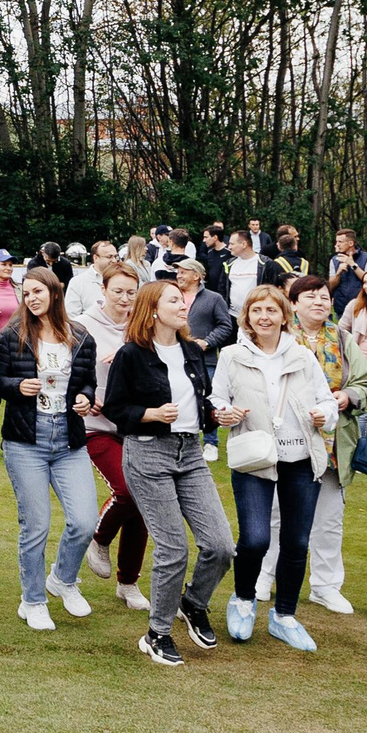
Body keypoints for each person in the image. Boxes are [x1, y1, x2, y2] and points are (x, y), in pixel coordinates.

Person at [106, 279, 237, 666]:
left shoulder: (192, 351)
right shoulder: (131, 354)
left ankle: (193, 602)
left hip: (190, 453)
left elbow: (201, 400)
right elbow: (115, 409)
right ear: (153, 310)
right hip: (148, 454)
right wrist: (149, 414)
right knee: (173, 548)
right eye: (175, 300)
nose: (184, 306)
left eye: (184, 300)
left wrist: (217, 414)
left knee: (220, 546)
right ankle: (157, 633)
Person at [212, 283, 336, 650]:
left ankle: (284, 616)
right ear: (246, 317)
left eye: (271, 310)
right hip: (255, 457)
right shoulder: (232, 355)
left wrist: (323, 414)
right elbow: (217, 398)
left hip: (301, 458)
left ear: (285, 316)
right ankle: (243, 600)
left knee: (296, 542)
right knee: (255, 539)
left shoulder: (303, 356)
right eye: (256, 311)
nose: (263, 317)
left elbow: (328, 402)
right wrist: (224, 412)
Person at [0, 268, 101, 632]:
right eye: (26, 293)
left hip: (69, 441)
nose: (31, 298)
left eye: (38, 291)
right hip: (26, 442)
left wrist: (85, 398)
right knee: (35, 525)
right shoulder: (13, 335)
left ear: (55, 292)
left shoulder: (80, 337)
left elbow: (88, 382)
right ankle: (33, 600)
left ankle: (63, 579)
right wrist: (17, 387)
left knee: (85, 521)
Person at [274, 276, 367, 615]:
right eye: (310, 296)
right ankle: (263, 578)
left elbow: (366, 383)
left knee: (329, 519)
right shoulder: (279, 337)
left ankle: (326, 587)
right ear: (293, 303)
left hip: (332, 443)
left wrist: (348, 396)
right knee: (275, 514)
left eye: (324, 297)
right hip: (285, 442)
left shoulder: (343, 338)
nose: (319, 302)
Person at [74, 258, 153, 613]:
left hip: (136, 425)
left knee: (143, 504)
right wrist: (86, 395)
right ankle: (99, 537)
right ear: (102, 290)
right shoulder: (82, 325)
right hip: (97, 426)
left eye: (131, 293)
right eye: (118, 291)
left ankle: (128, 583)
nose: (125, 299)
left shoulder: (143, 325)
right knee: (127, 490)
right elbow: (70, 373)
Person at [175, 258, 236, 462]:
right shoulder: (172, 296)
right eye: (178, 272)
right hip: (174, 357)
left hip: (204, 360)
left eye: (183, 272)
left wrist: (207, 342)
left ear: (196, 276)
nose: (179, 276)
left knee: (207, 399)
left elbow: (225, 325)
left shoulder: (213, 298)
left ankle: (211, 443)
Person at [328, 229, 367, 313]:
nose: (337, 245)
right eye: (336, 242)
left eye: (340, 242)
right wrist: (338, 273)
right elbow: (331, 285)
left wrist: (353, 265)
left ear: (351, 243)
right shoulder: (334, 260)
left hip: (363, 305)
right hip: (341, 308)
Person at [223, 231, 263, 313]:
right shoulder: (229, 264)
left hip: (256, 314)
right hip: (232, 314)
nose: (229, 247)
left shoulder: (264, 264)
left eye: (232, 244)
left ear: (244, 244)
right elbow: (222, 289)